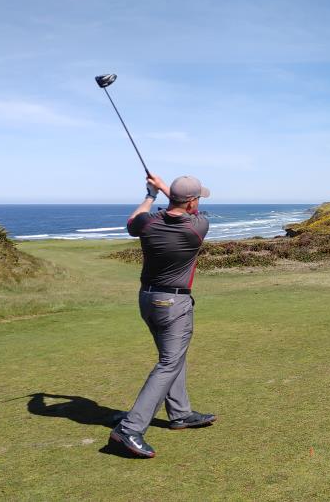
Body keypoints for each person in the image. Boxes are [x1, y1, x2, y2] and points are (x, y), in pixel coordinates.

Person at [109, 174, 215, 458]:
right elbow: (181, 205)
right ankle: (130, 428)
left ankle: (180, 413)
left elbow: (132, 222)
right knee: (169, 362)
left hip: (147, 299)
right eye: (197, 198)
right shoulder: (196, 227)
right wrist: (162, 186)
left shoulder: (148, 223)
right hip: (174, 303)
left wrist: (150, 194)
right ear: (192, 202)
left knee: (173, 356)